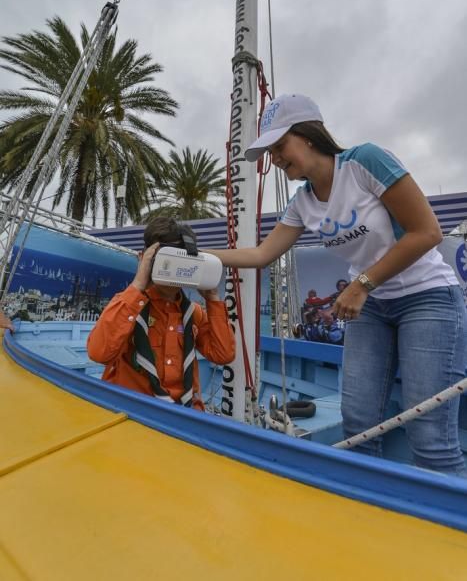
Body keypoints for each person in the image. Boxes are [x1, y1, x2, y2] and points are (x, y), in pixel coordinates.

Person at [208, 93, 467, 475]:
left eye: (280, 146)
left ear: (308, 135)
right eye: (271, 152)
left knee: (429, 435)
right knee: (359, 427)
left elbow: (427, 232)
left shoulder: (364, 162)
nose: (275, 159)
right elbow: (261, 255)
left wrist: (362, 283)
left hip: (427, 297)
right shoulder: (301, 204)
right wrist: (196, 255)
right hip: (373, 308)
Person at [88, 217, 235, 410]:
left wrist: (213, 299)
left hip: (184, 413)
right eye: (167, 260)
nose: (174, 270)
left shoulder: (193, 314)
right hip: (132, 411)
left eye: (180, 261)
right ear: (145, 258)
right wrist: (139, 284)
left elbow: (223, 354)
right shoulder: (129, 308)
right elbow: (99, 353)